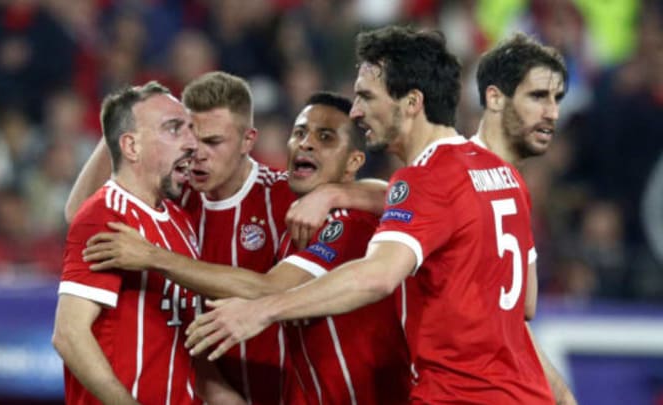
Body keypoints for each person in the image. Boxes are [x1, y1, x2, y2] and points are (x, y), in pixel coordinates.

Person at [184, 26, 555, 404]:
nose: (357, 111)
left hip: (459, 395)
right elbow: (526, 302)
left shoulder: (427, 179)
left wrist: (261, 312)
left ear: (411, 102)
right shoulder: (500, 173)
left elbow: (377, 277)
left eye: (366, 96)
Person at [64, 72, 387, 404]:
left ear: (248, 141)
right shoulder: (175, 200)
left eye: (213, 142)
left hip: (287, 389)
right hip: (209, 391)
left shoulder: (286, 194)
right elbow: (83, 214)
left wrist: (334, 194)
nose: (197, 152)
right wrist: (123, 120)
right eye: (190, 136)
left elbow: (396, 197)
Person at [52, 81, 243, 405]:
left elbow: (188, 347)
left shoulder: (180, 221)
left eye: (190, 130)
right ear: (131, 147)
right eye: (173, 129)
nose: (191, 144)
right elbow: (69, 335)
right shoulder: (106, 215)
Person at [474, 32, 577, 405]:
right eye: (538, 96)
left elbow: (517, 313)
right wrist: (344, 193)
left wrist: (562, 394)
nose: (553, 112)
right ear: (495, 97)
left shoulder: (512, 185)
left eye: (557, 99)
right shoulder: (455, 168)